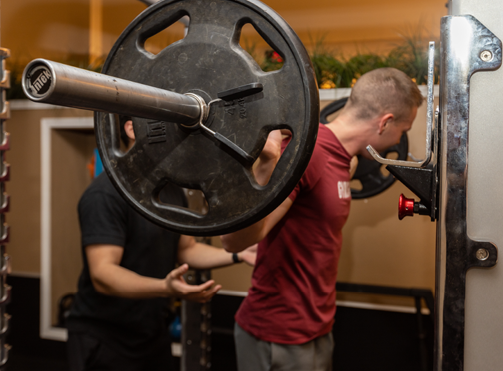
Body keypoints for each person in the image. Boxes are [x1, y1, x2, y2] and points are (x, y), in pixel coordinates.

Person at [221, 67, 423, 371]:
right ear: (385, 123)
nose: (399, 141)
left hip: (316, 327)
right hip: (278, 333)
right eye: (403, 131)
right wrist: (268, 164)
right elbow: (234, 240)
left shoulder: (346, 160)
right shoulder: (309, 152)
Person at [66, 116, 256, 371]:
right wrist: (165, 288)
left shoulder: (170, 190)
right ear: (131, 128)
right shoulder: (104, 194)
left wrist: (238, 254)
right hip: (105, 339)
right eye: (161, 124)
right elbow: (103, 274)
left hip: (152, 334)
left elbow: (186, 249)